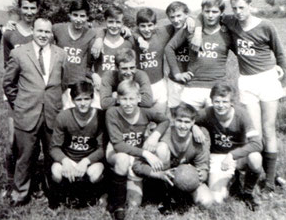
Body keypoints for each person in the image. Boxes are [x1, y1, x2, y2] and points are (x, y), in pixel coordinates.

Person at [193, 0, 286, 196]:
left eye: (242, 7)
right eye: (234, 8)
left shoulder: (266, 26)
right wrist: (198, 30)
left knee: (269, 128)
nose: (238, 12)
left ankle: (270, 181)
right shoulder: (231, 22)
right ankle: (240, 175)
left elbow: (280, 54)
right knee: (252, 132)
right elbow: (204, 13)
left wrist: (285, 84)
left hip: (268, 78)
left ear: (250, 6)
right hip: (247, 81)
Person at [3, 17, 67, 206]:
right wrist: (20, 103)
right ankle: (20, 193)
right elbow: (8, 83)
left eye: (47, 32)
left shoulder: (60, 54)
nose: (43, 35)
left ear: (51, 34)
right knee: (25, 156)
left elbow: (64, 82)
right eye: (40, 31)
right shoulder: (19, 53)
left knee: (51, 154)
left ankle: (52, 192)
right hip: (27, 113)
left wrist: (56, 103)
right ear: (33, 31)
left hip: (52, 113)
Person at [105, 80, 170, 219]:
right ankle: (118, 204)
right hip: (118, 153)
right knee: (123, 158)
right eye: (124, 99)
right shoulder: (112, 113)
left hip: (137, 156)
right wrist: (145, 153)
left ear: (139, 98)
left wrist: (154, 136)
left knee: (162, 148)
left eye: (131, 99)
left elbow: (165, 120)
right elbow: (118, 145)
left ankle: (161, 194)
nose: (128, 103)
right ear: (118, 99)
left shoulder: (145, 111)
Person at [133, 102, 213, 212]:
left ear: (193, 123)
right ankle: (164, 194)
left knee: (206, 201)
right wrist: (160, 175)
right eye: (179, 121)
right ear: (173, 119)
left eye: (187, 122)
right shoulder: (163, 132)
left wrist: (201, 175)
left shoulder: (200, 136)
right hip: (162, 177)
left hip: (187, 177)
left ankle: (180, 194)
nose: (183, 126)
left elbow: (203, 166)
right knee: (161, 148)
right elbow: (137, 165)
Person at [195, 82, 263, 211]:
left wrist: (233, 155)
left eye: (225, 102)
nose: (221, 106)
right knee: (216, 199)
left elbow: (257, 143)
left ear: (231, 102)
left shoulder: (241, 114)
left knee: (255, 158)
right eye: (217, 101)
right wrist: (194, 128)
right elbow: (187, 119)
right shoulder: (207, 112)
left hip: (238, 156)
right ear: (211, 101)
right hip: (218, 156)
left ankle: (247, 193)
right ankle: (233, 181)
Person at [165, 0, 233, 111]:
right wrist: (177, 73)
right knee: (185, 122)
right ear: (202, 12)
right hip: (193, 86)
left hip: (216, 87)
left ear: (221, 13)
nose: (210, 15)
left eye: (214, 12)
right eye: (207, 11)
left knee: (216, 126)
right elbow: (169, 48)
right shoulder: (190, 29)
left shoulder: (227, 33)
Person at [49, 81, 106, 208]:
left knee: (95, 173)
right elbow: (54, 148)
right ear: (72, 100)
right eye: (79, 99)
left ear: (92, 98)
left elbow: (102, 148)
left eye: (86, 98)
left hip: (89, 159)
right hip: (70, 158)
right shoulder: (63, 116)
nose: (83, 103)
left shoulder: (100, 116)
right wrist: (65, 161)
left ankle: (91, 195)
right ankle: (62, 196)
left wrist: (86, 161)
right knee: (56, 171)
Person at [52, 0, 103, 109]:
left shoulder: (90, 33)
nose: (78, 20)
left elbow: (102, 30)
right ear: (69, 15)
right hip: (61, 84)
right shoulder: (58, 29)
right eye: (75, 15)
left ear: (87, 17)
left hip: (80, 85)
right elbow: (40, 31)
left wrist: (99, 39)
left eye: (82, 16)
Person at [164, 2, 193, 110]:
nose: (176, 20)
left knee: (191, 115)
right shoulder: (168, 31)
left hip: (192, 80)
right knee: (174, 112)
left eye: (179, 16)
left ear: (186, 14)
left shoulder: (193, 27)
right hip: (174, 80)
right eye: (172, 17)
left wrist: (192, 19)